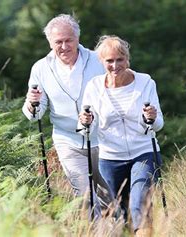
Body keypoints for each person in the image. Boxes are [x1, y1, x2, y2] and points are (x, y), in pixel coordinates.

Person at [22, 14, 112, 218]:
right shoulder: (41, 68)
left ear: (77, 38)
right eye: (58, 42)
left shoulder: (98, 60)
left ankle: (122, 228)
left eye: (68, 40)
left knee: (111, 197)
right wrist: (31, 103)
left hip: (104, 139)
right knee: (86, 197)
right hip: (68, 141)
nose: (64, 46)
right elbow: (35, 113)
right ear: (50, 43)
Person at [78, 35, 164, 235]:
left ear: (127, 59)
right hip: (110, 157)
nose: (115, 65)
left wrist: (150, 117)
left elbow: (158, 124)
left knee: (139, 204)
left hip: (144, 153)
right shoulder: (94, 87)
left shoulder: (145, 82)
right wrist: (85, 122)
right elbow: (84, 128)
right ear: (102, 62)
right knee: (117, 212)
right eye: (109, 61)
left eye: (119, 60)